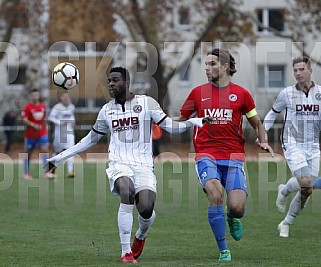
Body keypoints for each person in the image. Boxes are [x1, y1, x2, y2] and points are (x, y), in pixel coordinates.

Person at [44, 67, 211, 264]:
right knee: (127, 190)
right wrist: (60, 158)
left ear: (127, 82)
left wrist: (194, 122)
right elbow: (89, 140)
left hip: (143, 166)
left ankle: (140, 235)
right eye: (109, 81)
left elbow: (170, 127)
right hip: (118, 164)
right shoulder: (106, 110)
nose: (111, 84)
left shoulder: (146, 103)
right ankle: (126, 252)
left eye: (115, 80)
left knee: (146, 208)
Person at [177, 48, 274, 261]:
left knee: (237, 207)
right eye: (205, 64)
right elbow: (181, 120)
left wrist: (263, 140)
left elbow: (256, 123)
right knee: (216, 195)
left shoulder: (241, 94)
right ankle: (223, 249)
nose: (207, 68)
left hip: (233, 158)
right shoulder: (197, 93)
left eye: (212, 64)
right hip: (205, 154)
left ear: (225, 66)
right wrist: (156, 120)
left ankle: (233, 217)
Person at [263, 56, 321, 238]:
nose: (298, 73)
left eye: (301, 69)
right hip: (292, 143)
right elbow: (272, 114)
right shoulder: (286, 93)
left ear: (310, 71)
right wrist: (262, 134)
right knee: (305, 181)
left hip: (313, 145)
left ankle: (286, 221)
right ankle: (286, 190)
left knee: (307, 190)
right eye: (295, 70)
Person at [21, 88, 52, 180]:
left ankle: (47, 172)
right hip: (30, 135)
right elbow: (24, 119)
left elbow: (44, 119)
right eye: (33, 95)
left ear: (38, 96)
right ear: (31, 96)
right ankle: (26, 173)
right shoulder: (28, 107)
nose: (35, 97)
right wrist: (33, 125)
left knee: (45, 149)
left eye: (36, 95)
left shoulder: (42, 106)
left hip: (42, 133)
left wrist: (45, 126)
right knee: (28, 153)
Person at [48, 92, 76, 178]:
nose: (66, 98)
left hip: (69, 132)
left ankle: (70, 171)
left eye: (67, 97)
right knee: (58, 152)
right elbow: (51, 117)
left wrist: (73, 121)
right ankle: (51, 169)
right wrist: (60, 122)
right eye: (64, 97)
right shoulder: (57, 107)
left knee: (71, 151)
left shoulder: (71, 107)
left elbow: (71, 116)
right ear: (61, 98)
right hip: (59, 133)